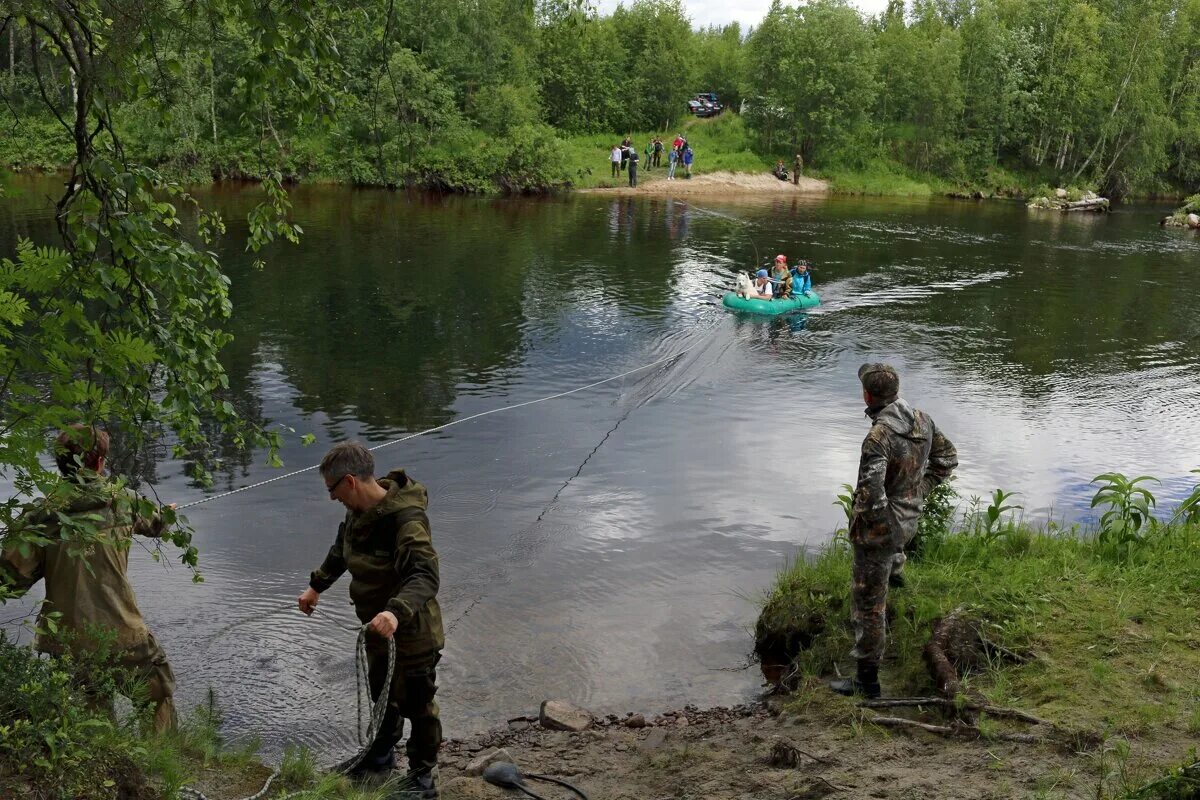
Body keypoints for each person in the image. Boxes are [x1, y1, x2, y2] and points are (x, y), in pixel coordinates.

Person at [0, 425, 178, 733]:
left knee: (90, 714)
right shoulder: (124, 501)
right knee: (157, 697)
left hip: (68, 641)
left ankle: (104, 767)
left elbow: (9, 584)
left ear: (60, 463)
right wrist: (169, 516)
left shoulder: (42, 517)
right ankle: (161, 765)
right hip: (124, 632)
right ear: (99, 462)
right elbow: (158, 524)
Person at [298, 443, 444, 797]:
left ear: (349, 481)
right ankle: (379, 758)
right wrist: (316, 586)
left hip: (411, 631)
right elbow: (341, 551)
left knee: (418, 705)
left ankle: (424, 779)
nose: (332, 498)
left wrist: (394, 612)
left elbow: (425, 574)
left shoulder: (405, 519)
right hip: (377, 631)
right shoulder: (357, 512)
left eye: (332, 490)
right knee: (382, 695)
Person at [830, 365, 957, 699]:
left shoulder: (879, 436)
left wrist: (869, 530)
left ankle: (867, 683)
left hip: (881, 531)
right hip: (908, 520)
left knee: (868, 608)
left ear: (868, 395)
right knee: (886, 573)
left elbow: (871, 497)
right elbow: (947, 458)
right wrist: (919, 491)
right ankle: (894, 571)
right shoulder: (922, 420)